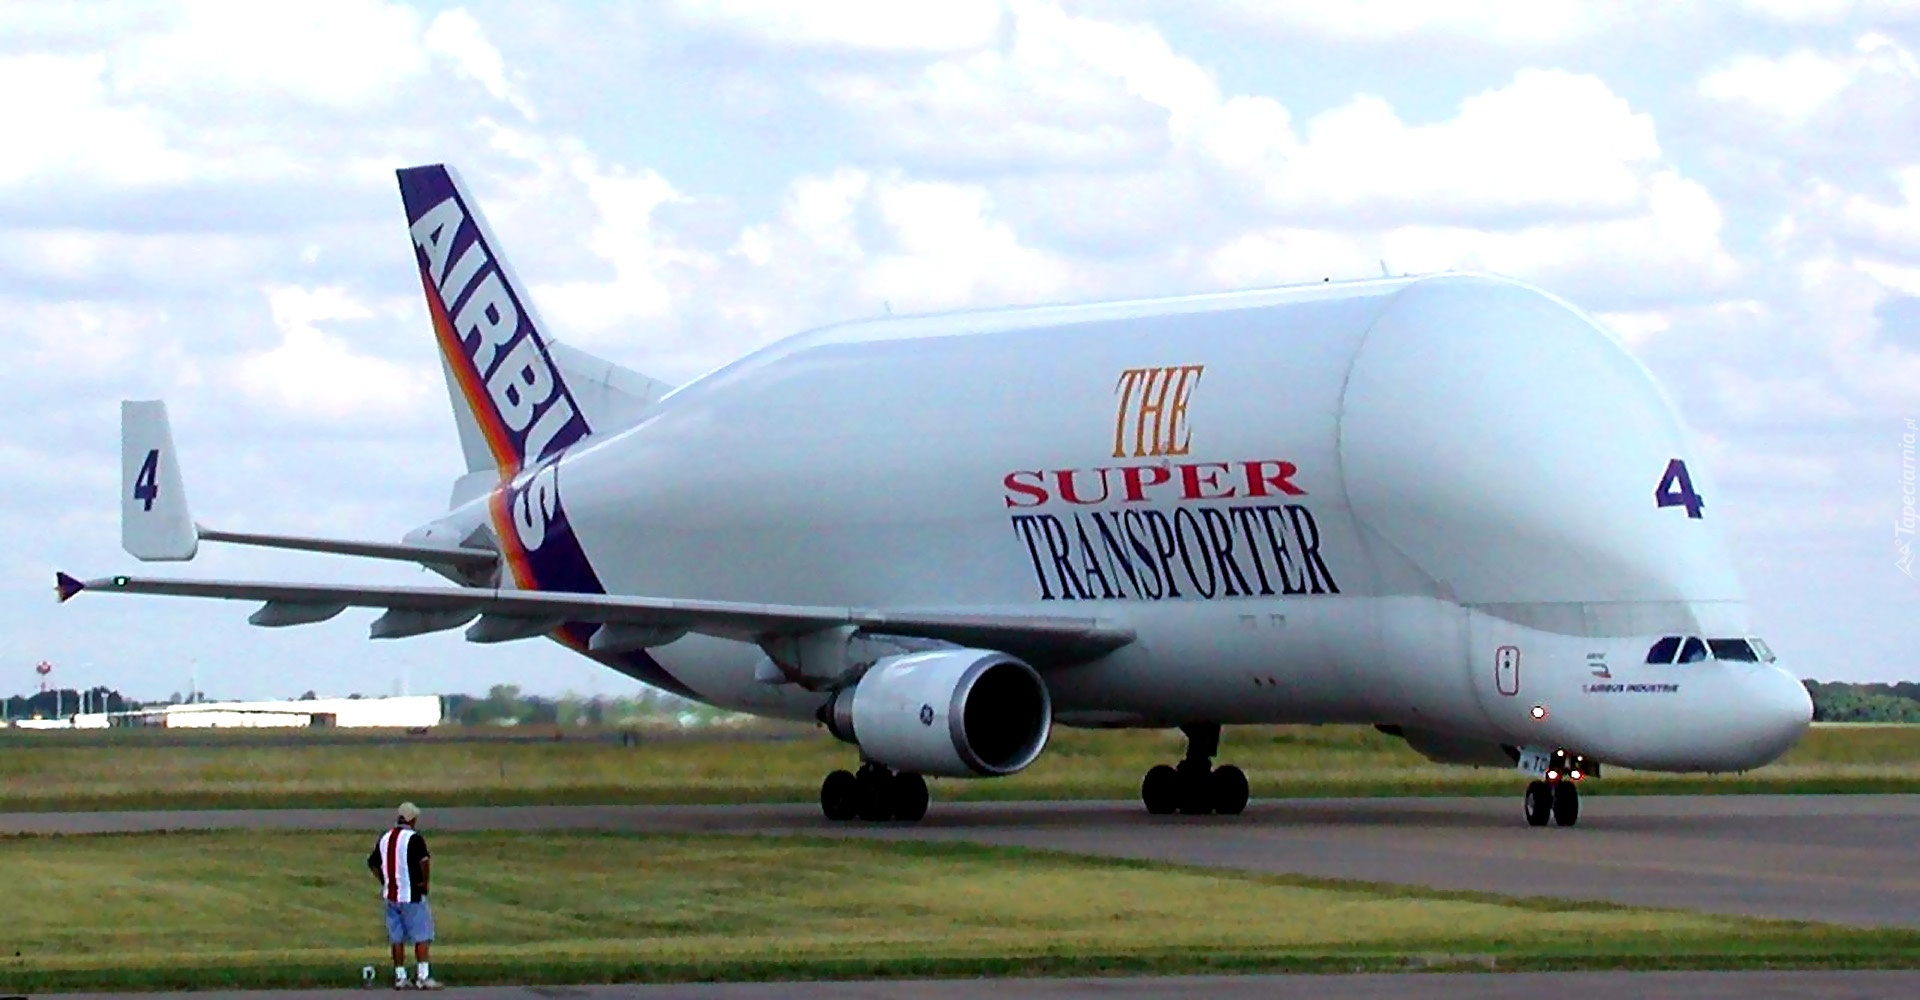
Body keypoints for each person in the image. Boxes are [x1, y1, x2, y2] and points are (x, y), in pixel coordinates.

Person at [367, 801, 441, 990]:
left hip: (391, 894)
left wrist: (385, 880)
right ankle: (423, 976)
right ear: (412, 819)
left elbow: (373, 863)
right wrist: (424, 883)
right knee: (421, 935)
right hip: (411, 894)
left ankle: (400, 976)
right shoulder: (414, 838)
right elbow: (424, 862)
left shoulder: (386, 837)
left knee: (396, 937)